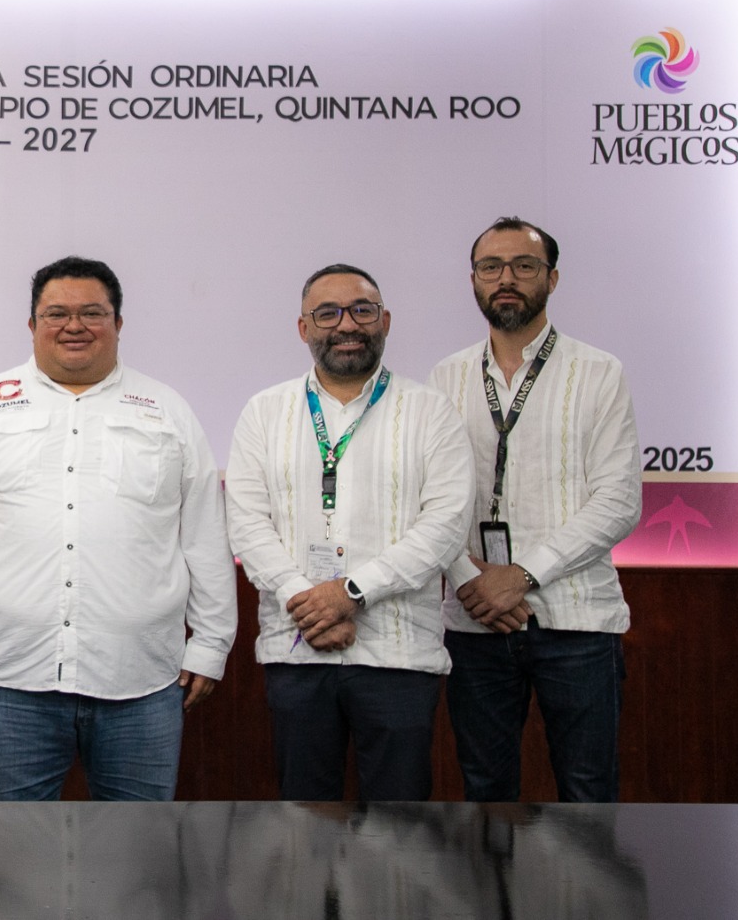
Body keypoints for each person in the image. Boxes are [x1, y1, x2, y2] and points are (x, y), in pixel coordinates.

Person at [0, 255, 237, 801]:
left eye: (92, 313)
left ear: (119, 323)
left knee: (137, 848)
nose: (74, 326)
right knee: (10, 846)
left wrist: (212, 643)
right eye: (56, 314)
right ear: (32, 324)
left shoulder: (167, 411)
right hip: (7, 679)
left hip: (142, 681)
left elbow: (204, 536)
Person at [225, 263, 473, 801]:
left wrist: (352, 593)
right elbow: (246, 522)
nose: (346, 325)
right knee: (305, 821)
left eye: (362, 311)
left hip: (398, 656)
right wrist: (308, 601)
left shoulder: (431, 412)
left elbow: (446, 525)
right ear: (303, 328)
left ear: (385, 321)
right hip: (298, 647)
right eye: (327, 313)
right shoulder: (264, 412)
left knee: (399, 825)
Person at [429, 217, 641, 802]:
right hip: (476, 622)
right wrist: (471, 579)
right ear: (473, 279)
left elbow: (619, 501)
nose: (506, 279)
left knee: (588, 795)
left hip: (577, 624)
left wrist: (520, 575)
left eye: (524, 266)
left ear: (552, 278)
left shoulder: (598, 372)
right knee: (485, 794)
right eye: (491, 267)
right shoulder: (446, 377)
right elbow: (426, 499)